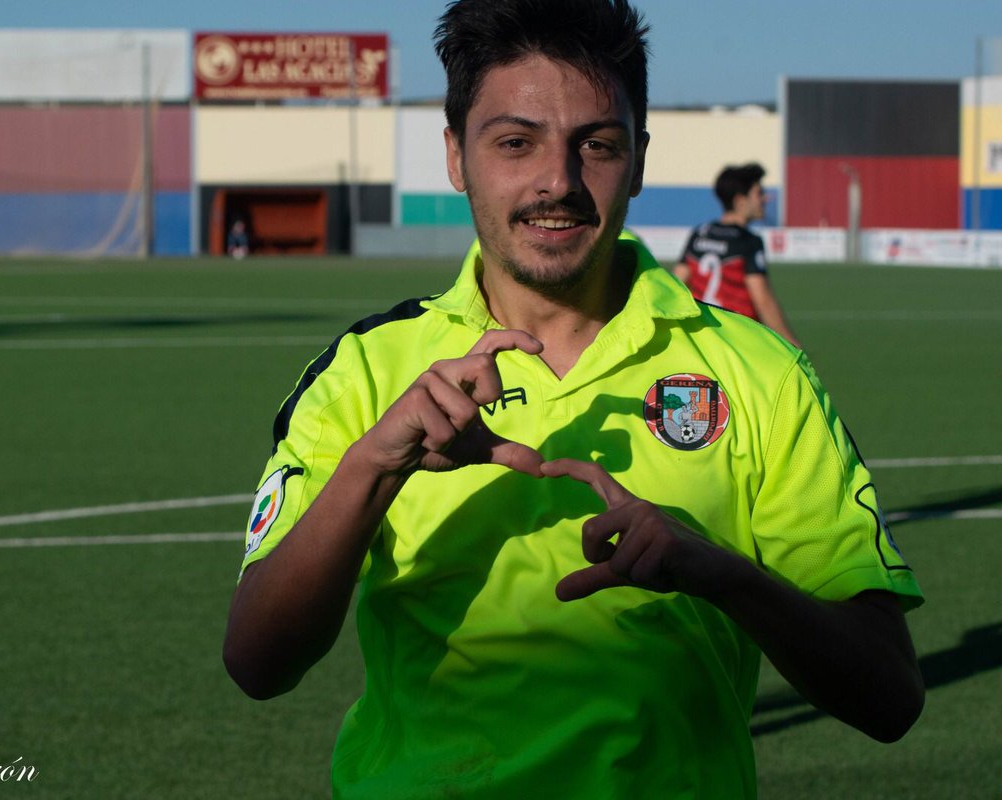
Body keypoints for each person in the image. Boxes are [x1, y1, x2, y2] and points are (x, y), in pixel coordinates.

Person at [224, 1, 924, 797]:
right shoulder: (365, 370)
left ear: (640, 158)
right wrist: (374, 469)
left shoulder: (761, 373)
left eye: (596, 144)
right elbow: (256, 663)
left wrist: (726, 576)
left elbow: (889, 695)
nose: (556, 180)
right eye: (514, 143)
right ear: (456, 156)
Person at [674, 163, 802, 347]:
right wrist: (792, 346)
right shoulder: (748, 241)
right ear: (741, 201)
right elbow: (763, 301)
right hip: (738, 340)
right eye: (759, 193)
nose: (765, 199)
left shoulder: (700, 233)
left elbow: (677, 284)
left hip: (702, 338)